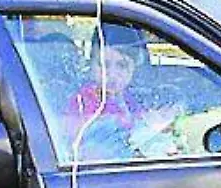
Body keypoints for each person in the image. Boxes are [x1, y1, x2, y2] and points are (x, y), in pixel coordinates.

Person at [62, 24, 183, 160]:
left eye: (122, 65)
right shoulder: (81, 104)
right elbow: (95, 151)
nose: (112, 74)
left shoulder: (127, 99)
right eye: (103, 64)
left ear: (134, 68)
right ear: (91, 65)